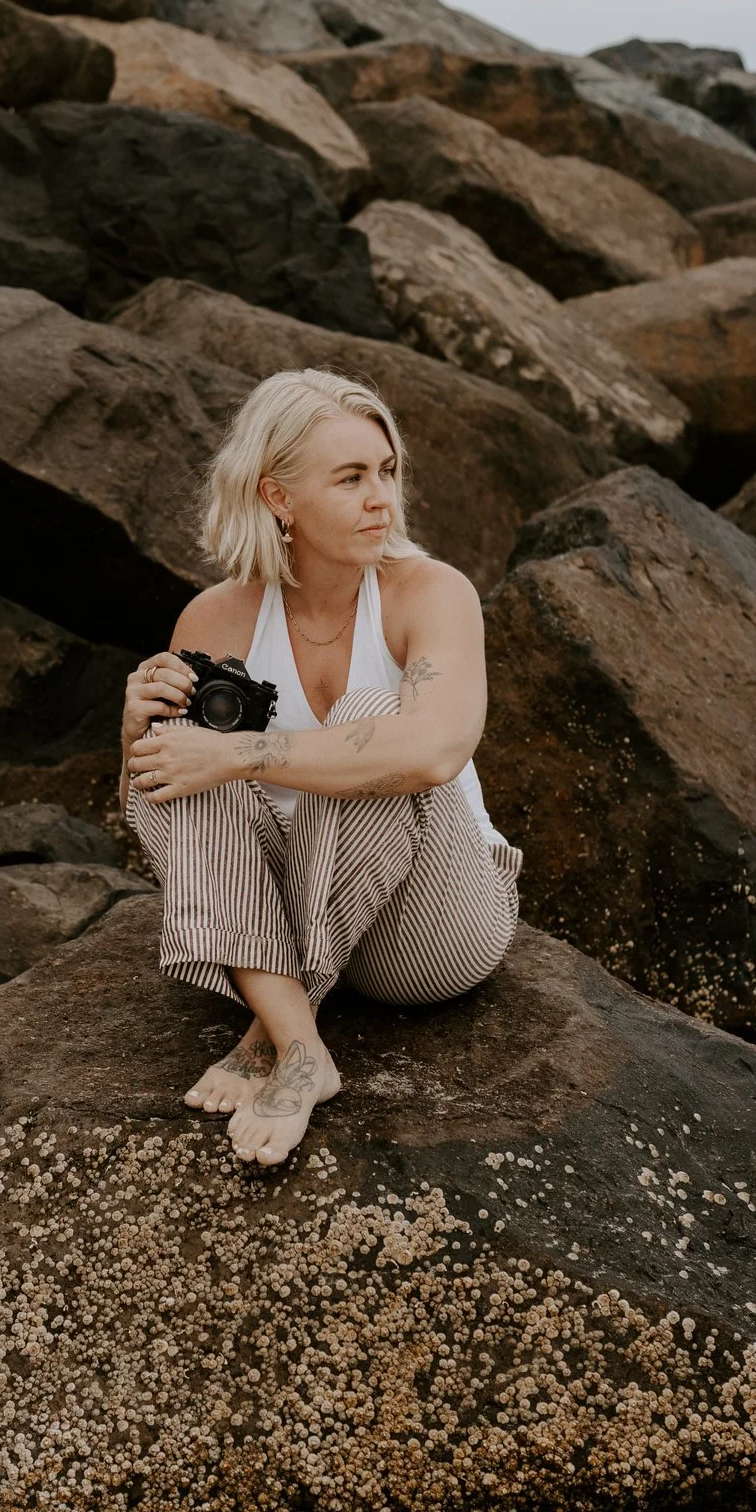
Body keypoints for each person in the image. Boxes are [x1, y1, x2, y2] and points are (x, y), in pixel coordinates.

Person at [122, 369, 522, 1167]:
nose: (382, 497)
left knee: (371, 721)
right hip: (283, 908)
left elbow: (433, 748)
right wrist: (138, 729)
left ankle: (265, 1024)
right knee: (177, 740)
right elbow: (156, 811)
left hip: (428, 927)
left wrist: (238, 750)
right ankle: (301, 1046)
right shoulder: (217, 616)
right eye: (350, 478)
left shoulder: (431, 593)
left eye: (386, 471)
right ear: (277, 497)